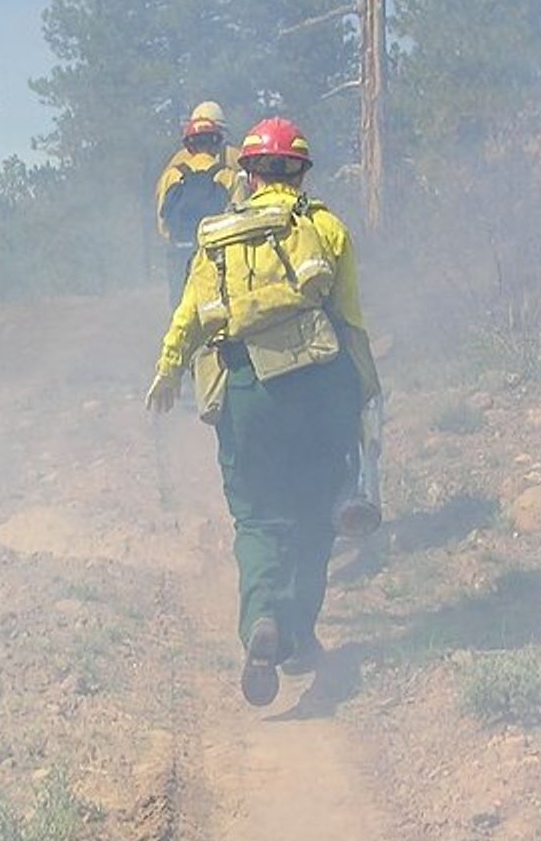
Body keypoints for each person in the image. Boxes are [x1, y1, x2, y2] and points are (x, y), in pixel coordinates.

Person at [145, 117, 382, 707]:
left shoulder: (216, 239)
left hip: (247, 391)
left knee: (257, 519)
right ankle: (300, 636)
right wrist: (365, 392)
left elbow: (189, 317)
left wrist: (168, 371)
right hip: (319, 389)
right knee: (315, 514)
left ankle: (260, 624)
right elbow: (349, 319)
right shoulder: (324, 227)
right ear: (300, 172)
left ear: (247, 175)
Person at [154, 101, 243, 306]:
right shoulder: (232, 170)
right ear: (219, 138)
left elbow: (163, 221)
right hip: (219, 257)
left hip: (179, 254)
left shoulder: (173, 171)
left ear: (189, 142)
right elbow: (241, 220)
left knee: (181, 309)